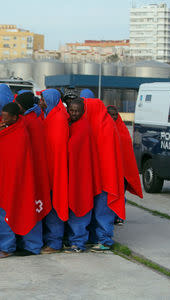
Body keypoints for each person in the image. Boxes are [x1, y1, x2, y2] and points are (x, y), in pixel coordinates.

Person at [0, 102, 44, 258]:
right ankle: (6, 246)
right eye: (2, 118)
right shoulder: (4, 128)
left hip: (19, 181)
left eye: (7, 119)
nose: (3, 121)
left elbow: (19, 161)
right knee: (1, 211)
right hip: (4, 179)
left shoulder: (21, 133)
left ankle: (29, 246)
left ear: (15, 117)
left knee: (23, 210)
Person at [84, 97, 124, 252]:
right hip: (98, 176)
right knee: (97, 209)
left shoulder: (105, 127)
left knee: (103, 210)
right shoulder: (98, 124)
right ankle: (96, 237)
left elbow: (106, 155)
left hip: (106, 178)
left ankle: (105, 240)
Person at [66, 99, 102, 252]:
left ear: (83, 112)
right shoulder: (76, 125)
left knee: (80, 208)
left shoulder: (82, 128)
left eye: (76, 111)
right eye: (71, 110)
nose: (73, 113)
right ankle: (76, 240)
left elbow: (71, 150)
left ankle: (78, 243)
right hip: (78, 175)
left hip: (81, 177)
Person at [41, 89, 70, 254]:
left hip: (55, 170)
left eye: (43, 99)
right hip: (49, 169)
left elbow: (57, 149)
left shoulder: (58, 118)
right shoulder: (50, 115)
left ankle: (55, 242)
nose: (41, 102)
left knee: (55, 206)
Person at [107, 105, 143, 225]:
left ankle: (118, 216)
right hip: (111, 169)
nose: (113, 117)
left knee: (120, 193)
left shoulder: (123, 131)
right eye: (110, 114)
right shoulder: (104, 129)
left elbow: (127, 153)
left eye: (115, 114)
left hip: (122, 171)